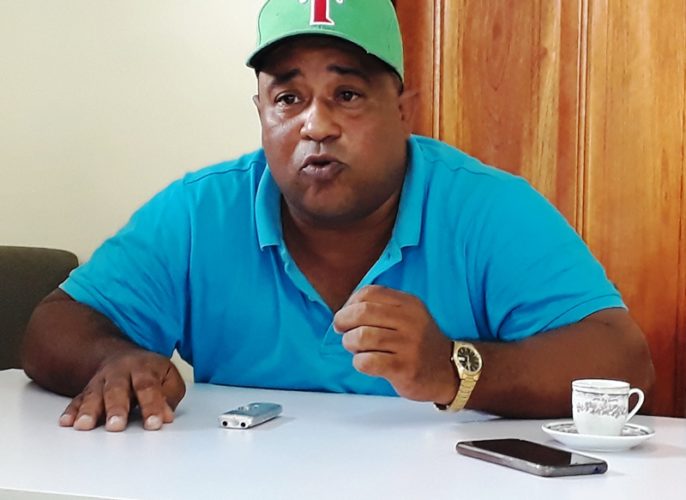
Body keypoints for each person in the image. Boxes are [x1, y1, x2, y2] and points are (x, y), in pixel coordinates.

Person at [22, 0, 654, 432]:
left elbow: (624, 363)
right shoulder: (201, 210)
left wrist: (454, 368)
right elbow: (54, 325)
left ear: (403, 111)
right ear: (261, 113)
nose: (316, 125)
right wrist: (111, 359)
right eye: (288, 98)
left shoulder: (487, 208)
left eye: (346, 95)